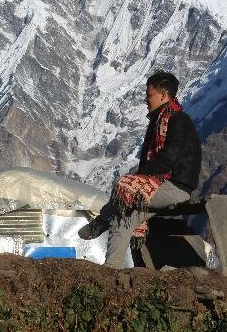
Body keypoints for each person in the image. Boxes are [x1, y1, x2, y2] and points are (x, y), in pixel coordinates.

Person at [79, 70, 201, 268]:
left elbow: (169, 158)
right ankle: (112, 268)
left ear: (163, 95)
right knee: (124, 217)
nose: (146, 99)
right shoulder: (158, 122)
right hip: (159, 187)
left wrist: (138, 179)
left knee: (125, 186)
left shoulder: (178, 121)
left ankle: (101, 221)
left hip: (175, 188)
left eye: (149, 94)